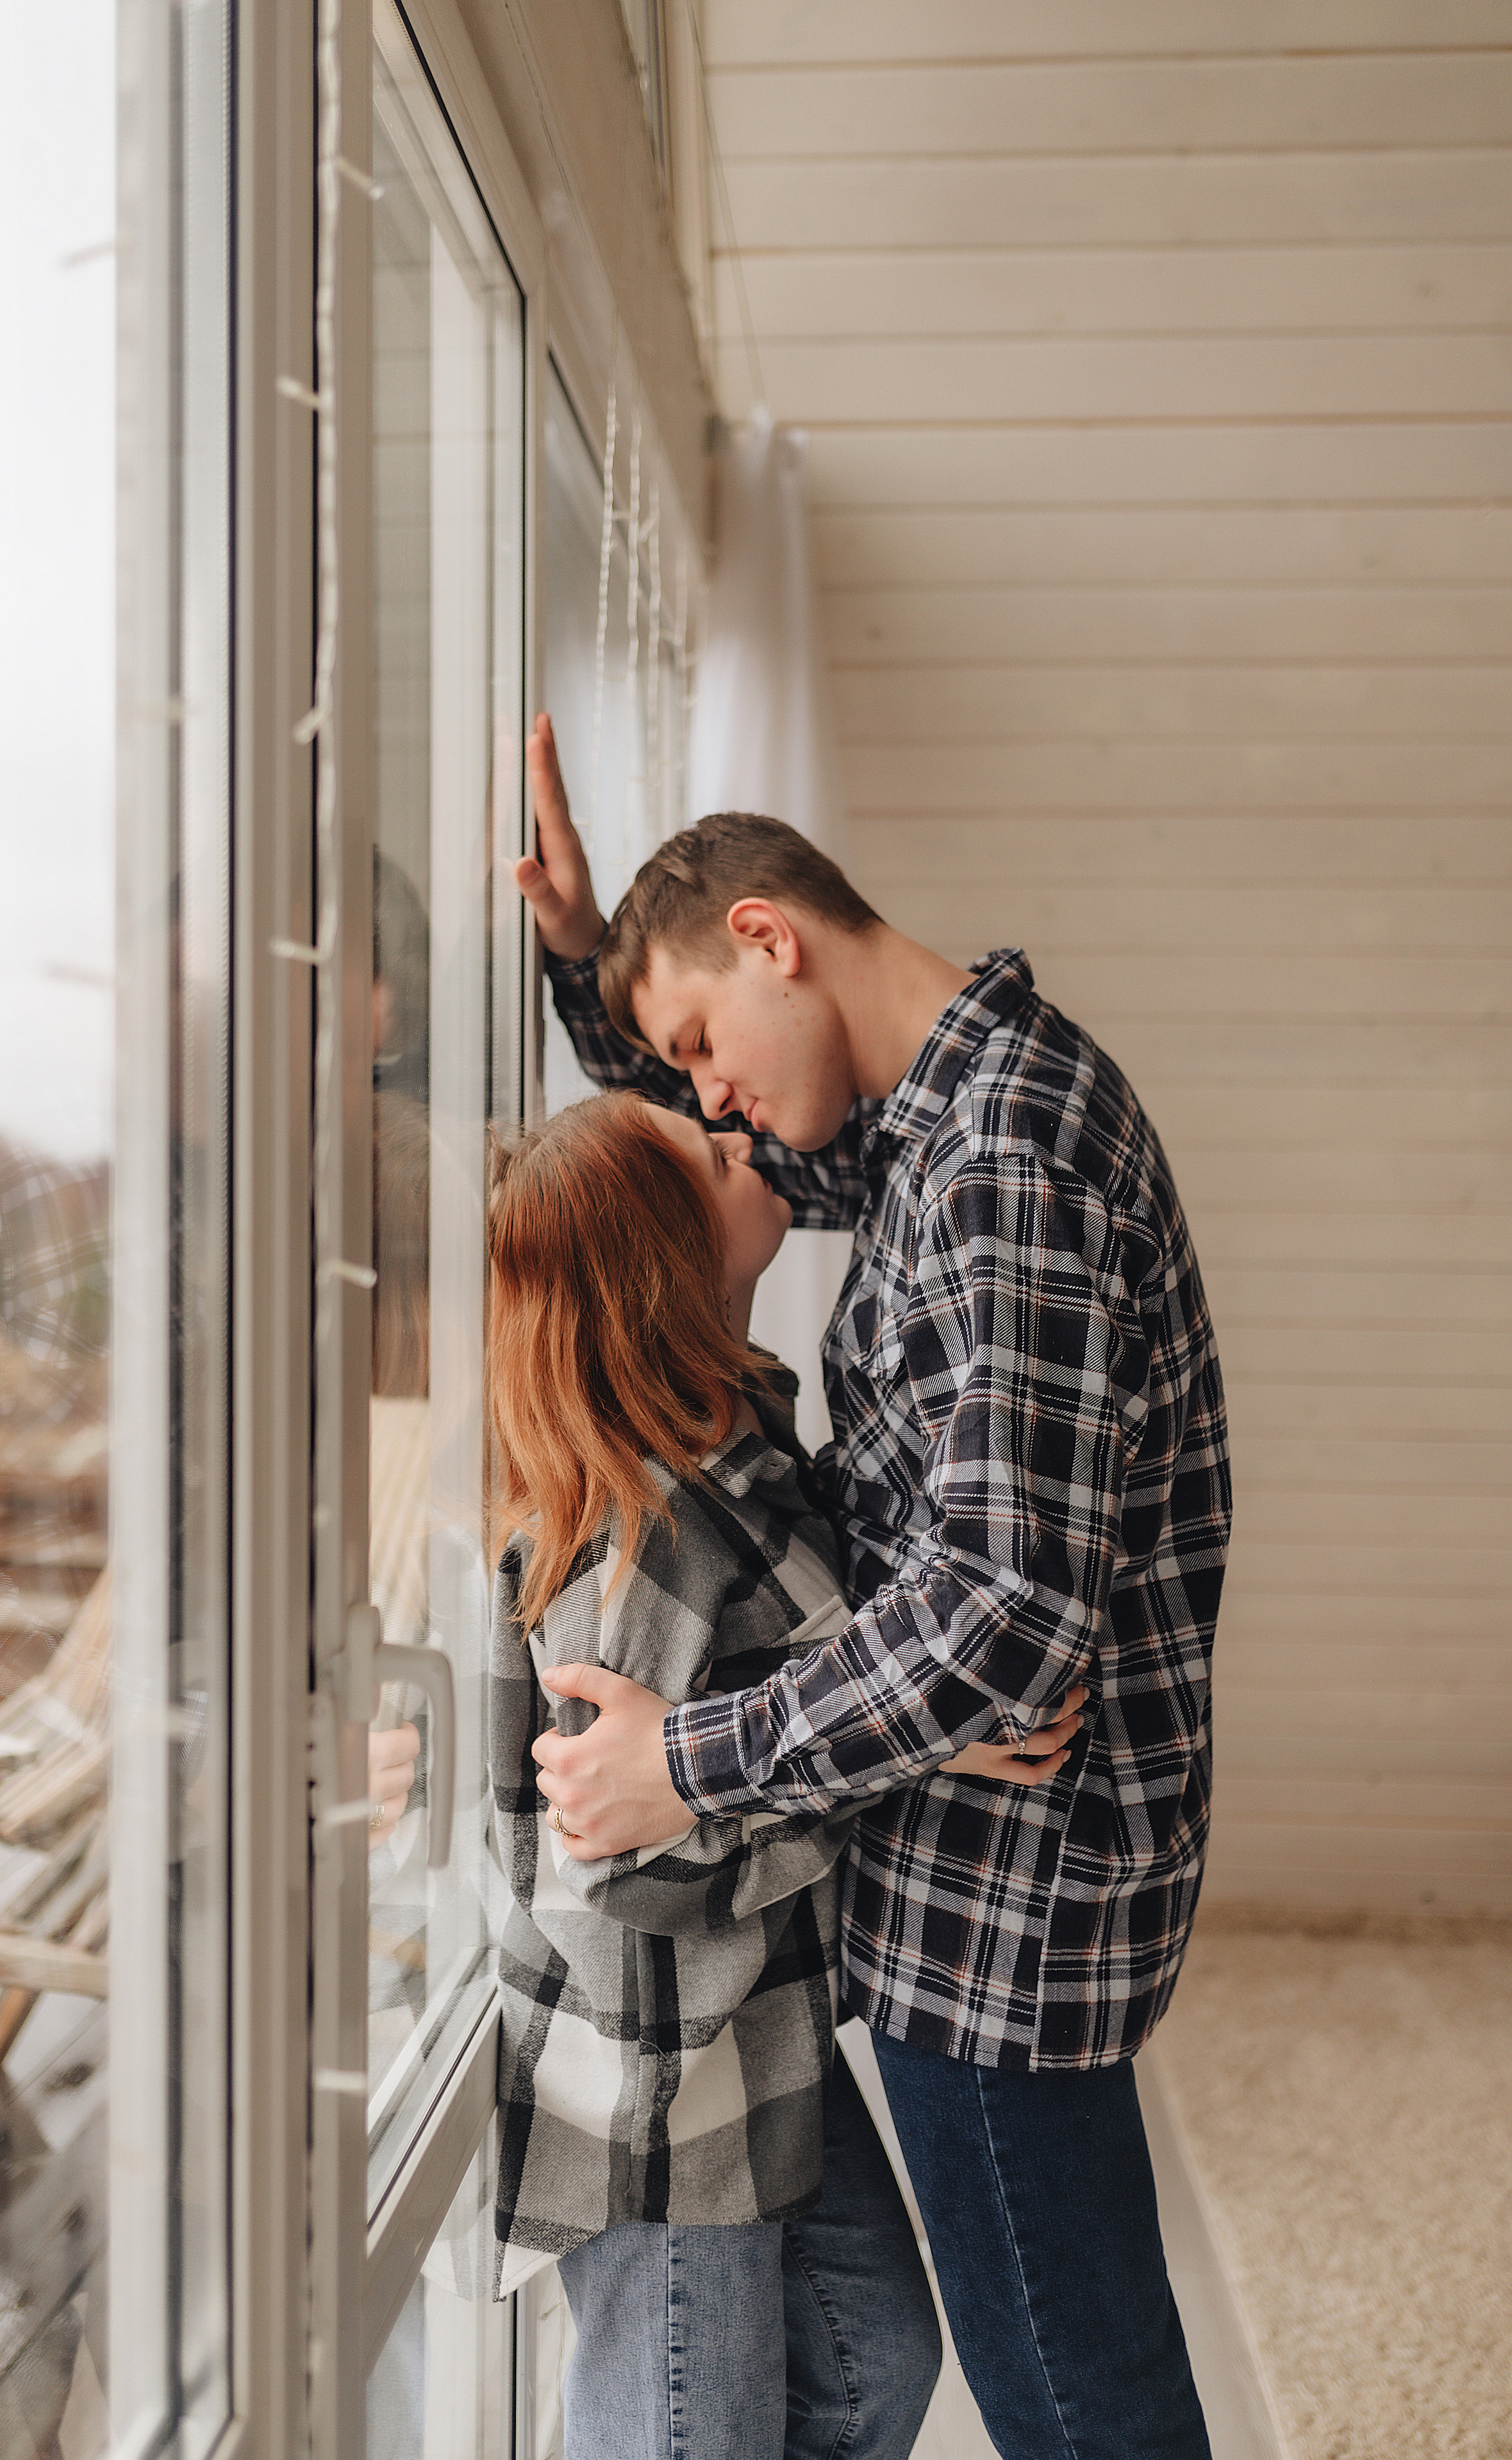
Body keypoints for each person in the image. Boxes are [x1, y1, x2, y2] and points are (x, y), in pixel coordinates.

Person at [515, 714, 1232, 2460]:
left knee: (1079, 2396)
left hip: (1013, 1897)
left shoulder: (1001, 1165)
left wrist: (686, 1758)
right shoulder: (943, 1119)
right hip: (979, 1862)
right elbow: (728, 1177)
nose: (714, 1103)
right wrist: (585, 956)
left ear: (772, 935)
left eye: (700, 1047)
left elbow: (997, 1618)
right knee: (1064, 2360)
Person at [486, 1089, 1081, 2460]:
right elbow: (624, 1854)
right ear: (664, 1254)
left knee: (873, 2360)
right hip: (656, 2101)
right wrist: (904, 1751)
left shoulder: (739, 1442)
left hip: (755, 2048)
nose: (746, 1141)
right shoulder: (636, 1543)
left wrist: (920, 1712)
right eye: (715, 1154)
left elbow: (794, 1688)